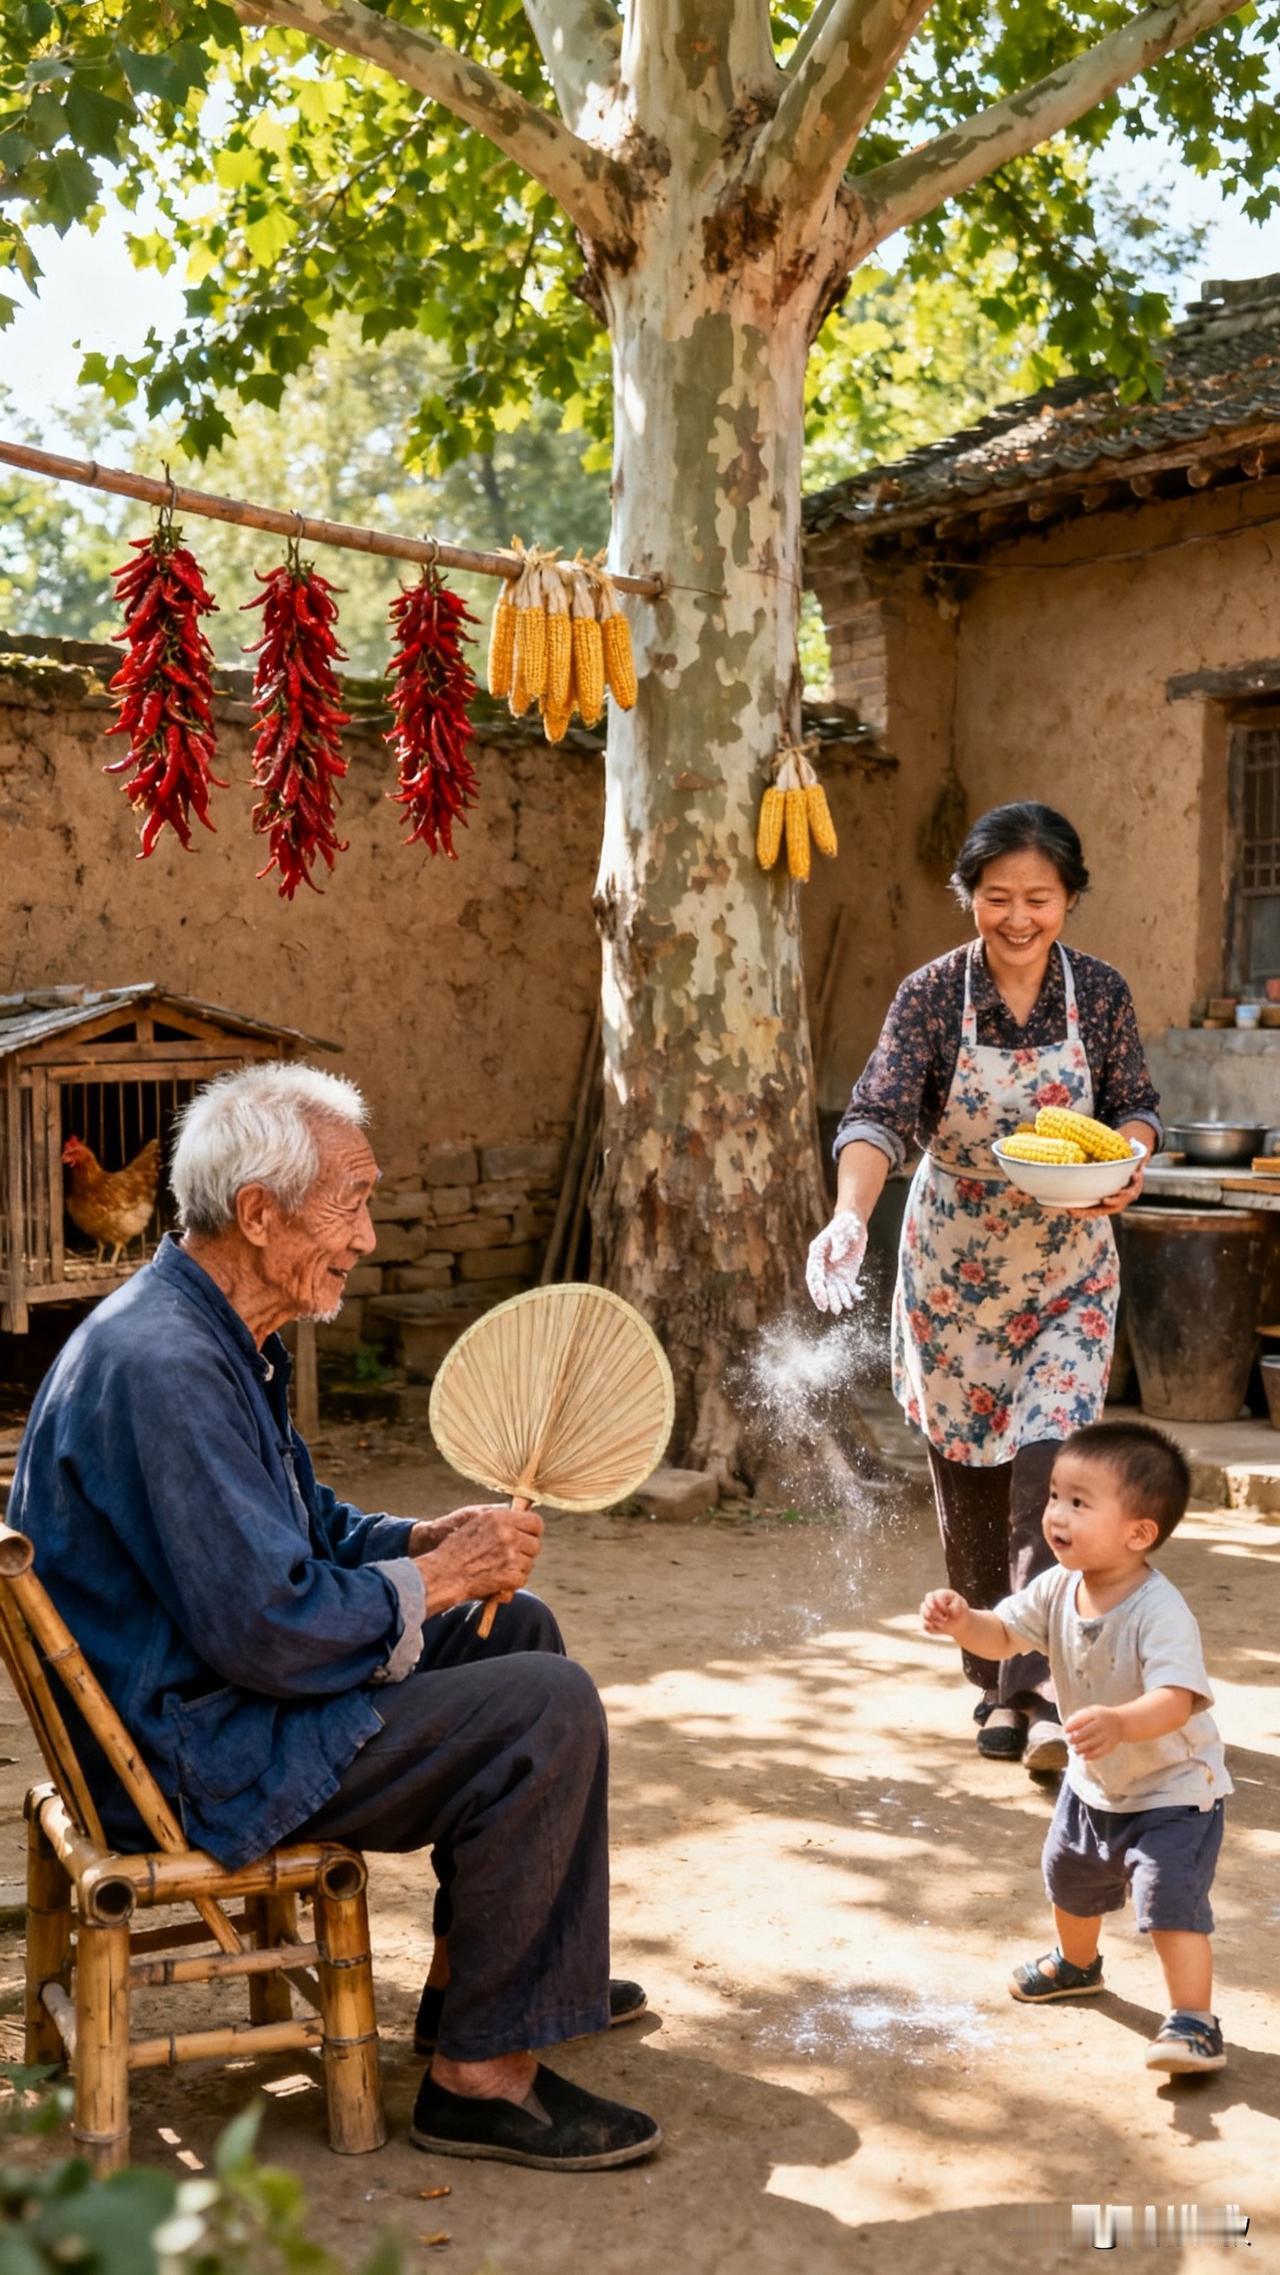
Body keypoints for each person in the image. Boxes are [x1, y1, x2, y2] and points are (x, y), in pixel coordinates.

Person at [9, 1062, 661, 2172]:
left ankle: (484, 1992)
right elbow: (268, 1625)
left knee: (523, 1629)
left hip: (202, 1699)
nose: (364, 1238)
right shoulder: (168, 1365)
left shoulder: (211, 1331)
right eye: (349, 1203)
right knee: (542, 1706)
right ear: (257, 1215)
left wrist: (416, 1543)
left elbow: (301, 1525)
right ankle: (477, 2083)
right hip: (193, 1751)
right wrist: (441, 1579)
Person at [807, 802, 1161, 1776]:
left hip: (1067, 1266)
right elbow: (875, 1117)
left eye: (1036, 898)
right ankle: (991, 1681)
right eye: (995, 897)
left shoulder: (1098, 993)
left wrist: (1125, 1161)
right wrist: (846, 1214)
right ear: (968, 897)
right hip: (951, 1271)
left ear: (1069, 899)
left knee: (1051, 1474)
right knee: (967, 1493)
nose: (1016, 917)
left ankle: (1041, 1696)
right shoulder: (929, 995)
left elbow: (1133, 1104)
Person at [921, 1420, 1231, 2075]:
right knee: (1069, 1876)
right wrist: (962, 1622)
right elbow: (1003, 1635)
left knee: (1169, 1902)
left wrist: (1120, 1721)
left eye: (1079, 1502)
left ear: (1138, 1533)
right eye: (1055, 1495)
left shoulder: (1159, 1609)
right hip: (1095, 1784)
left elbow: (1177, 1698)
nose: (1055, 1513)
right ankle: (1076, 1963)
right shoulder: (1059, 1585)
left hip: (1174, 1791)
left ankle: (1195, 2020)